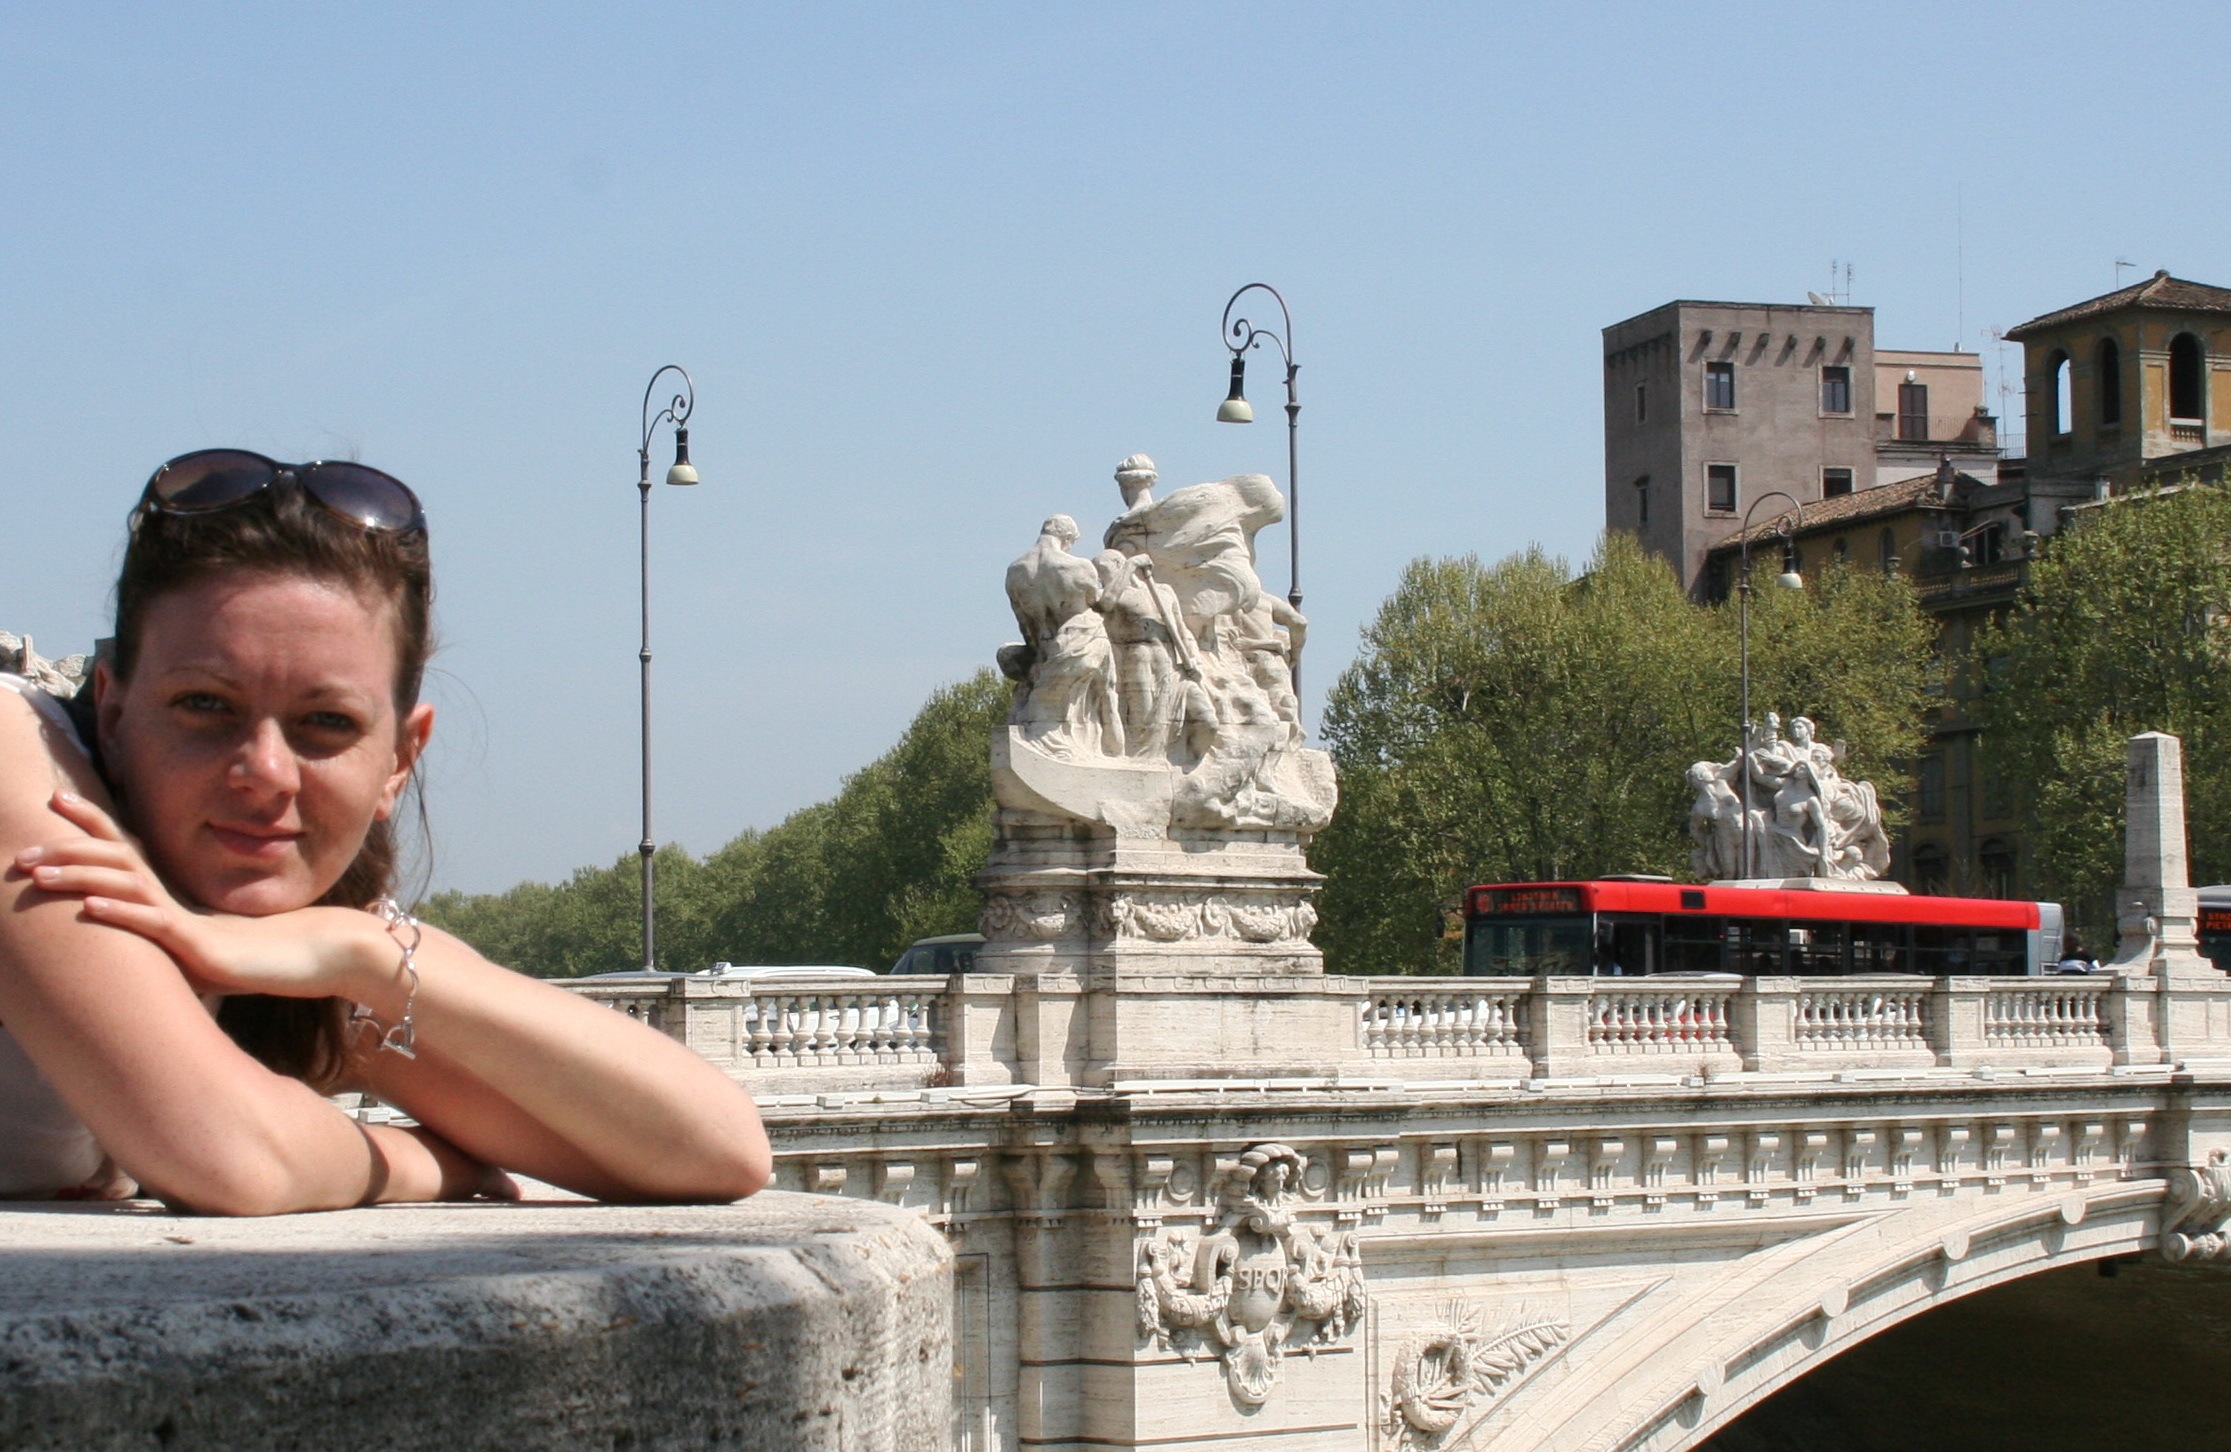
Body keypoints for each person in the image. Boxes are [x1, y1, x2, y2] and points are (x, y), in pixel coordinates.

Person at [0, 450, 771, 1212]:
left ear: (399, 759)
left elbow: (715, 1149)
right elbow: (226, 1153)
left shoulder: (290, 954)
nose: (265, 771)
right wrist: (421, 1163)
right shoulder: (18, 753)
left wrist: (360, 952)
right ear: (112, 710)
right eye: (204, 705)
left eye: (326, 722)